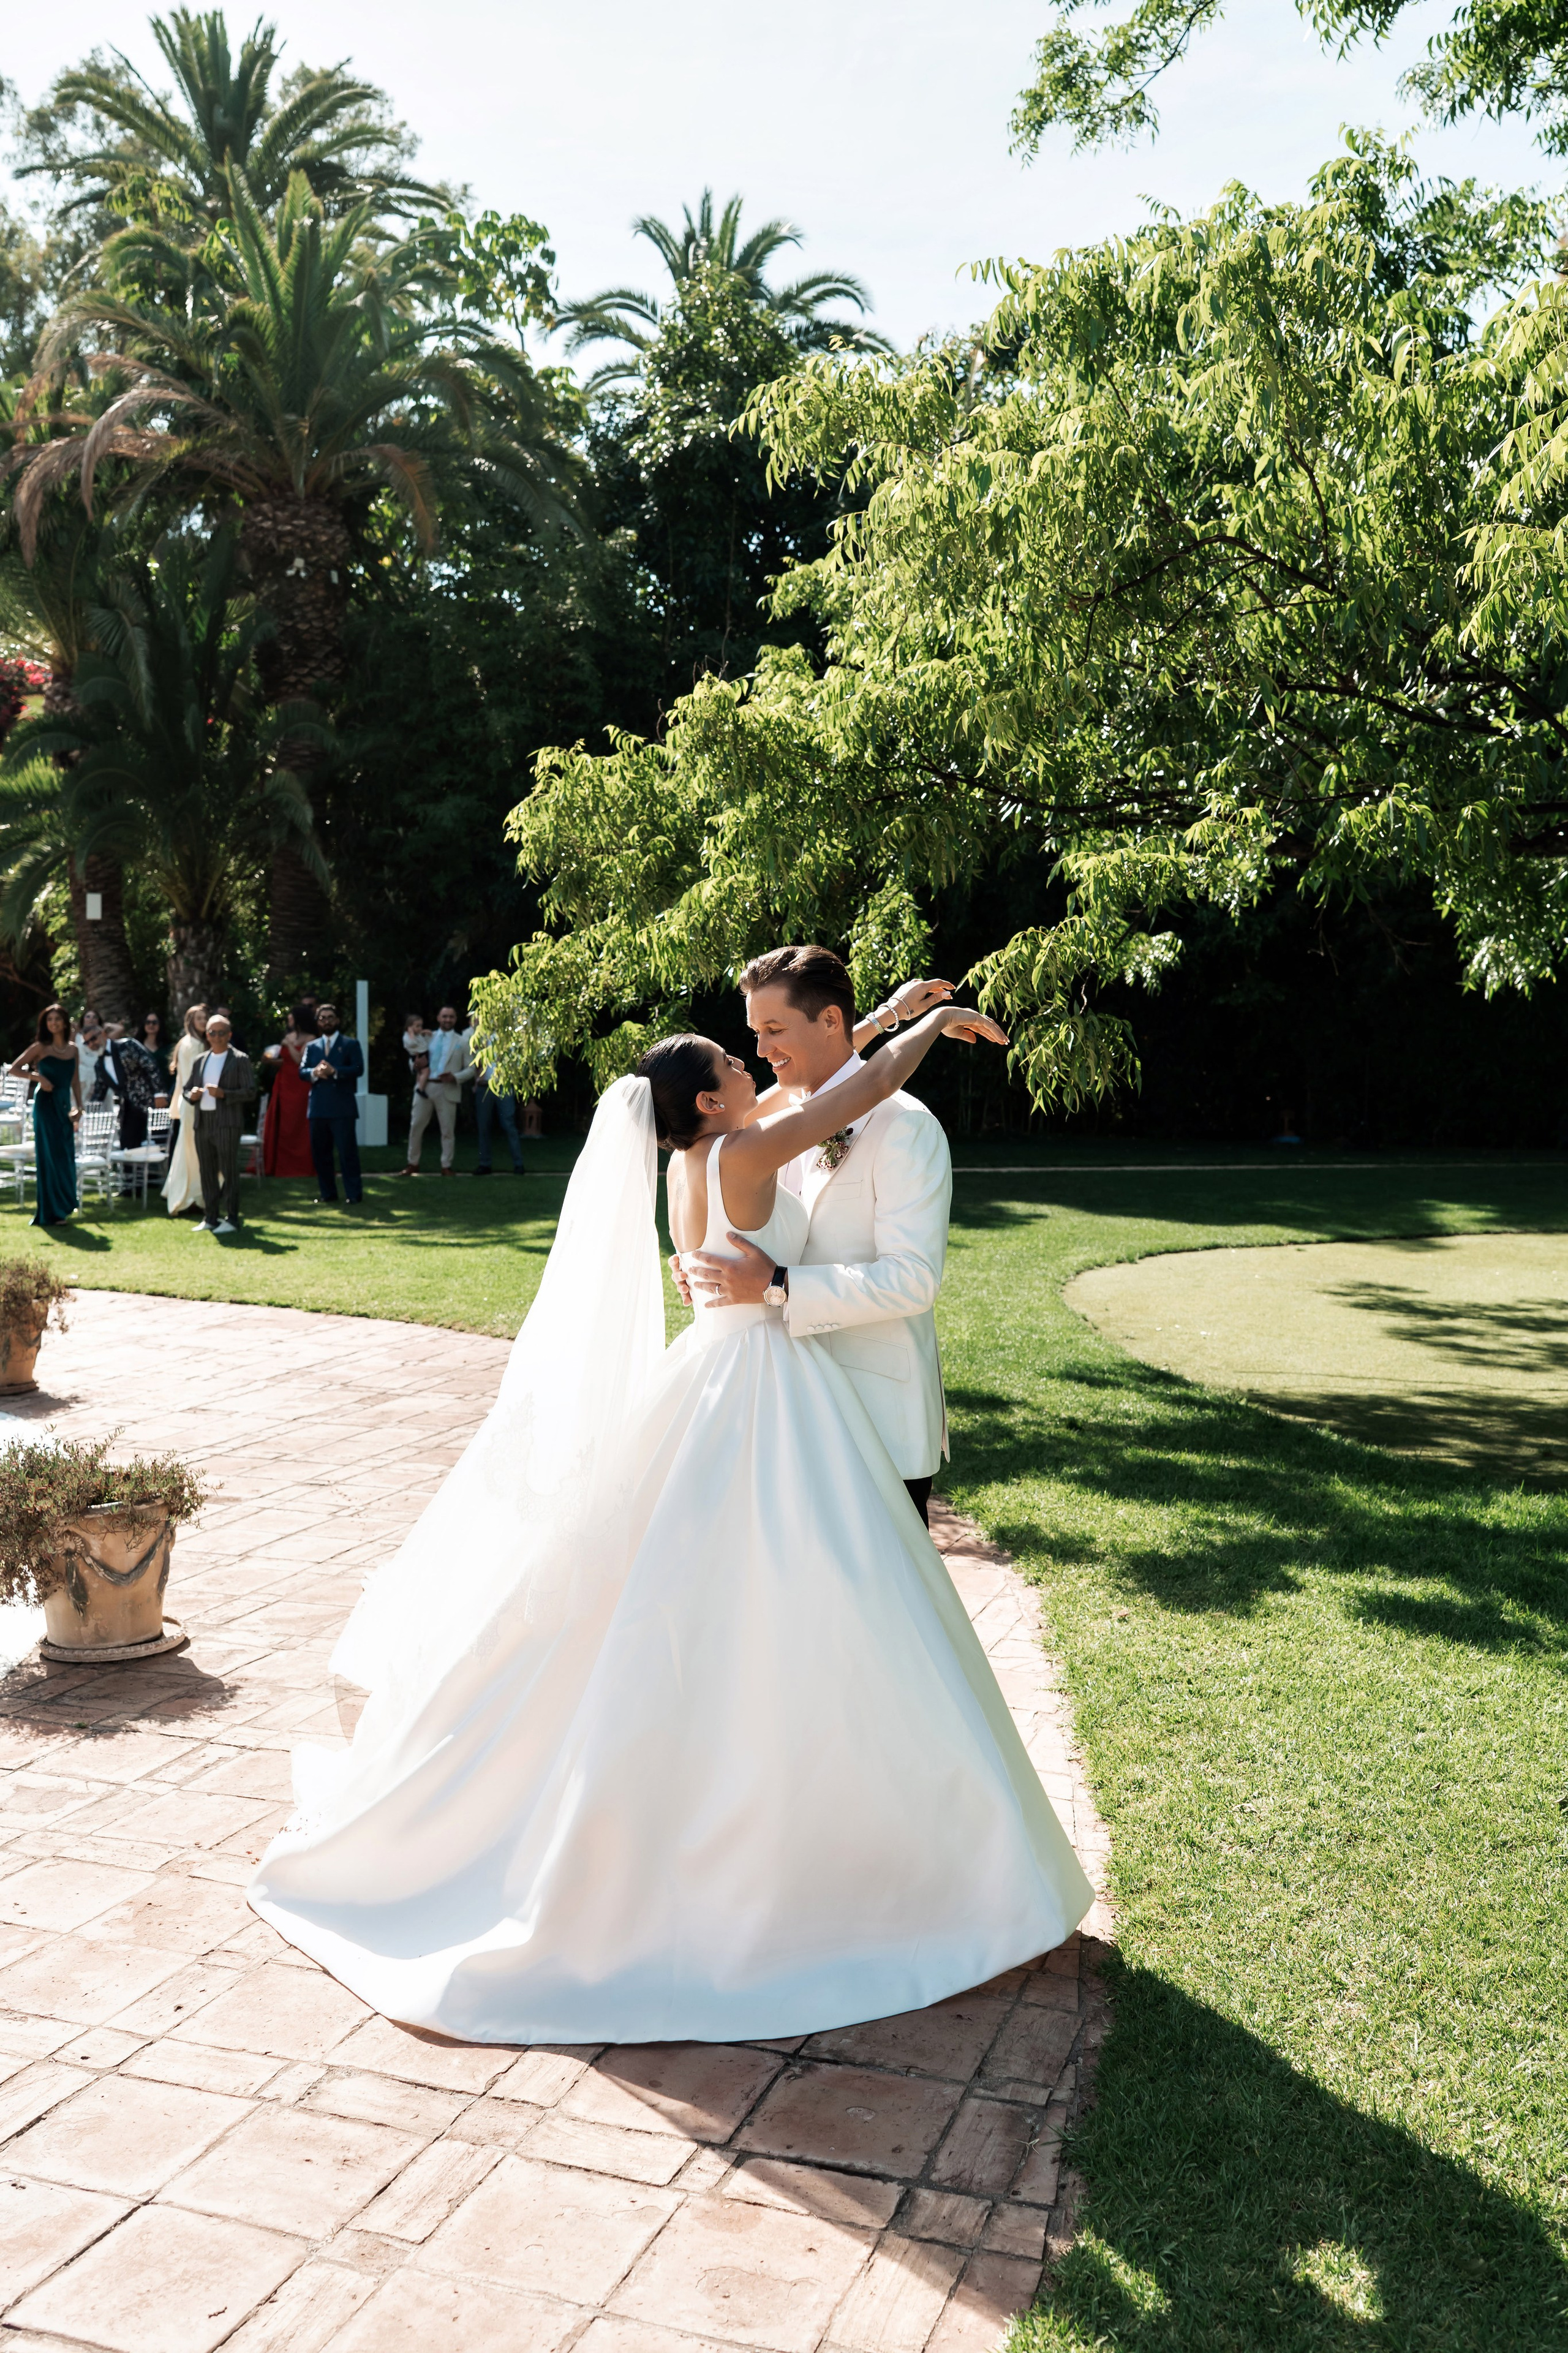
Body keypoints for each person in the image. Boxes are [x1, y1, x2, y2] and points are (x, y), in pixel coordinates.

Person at [250, 996, 1092, 2045]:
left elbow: (819, 1083)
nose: (757, 1066)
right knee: (803, 1582)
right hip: (764, 1381)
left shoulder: (691, 1159)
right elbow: (860, 1090)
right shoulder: (747, 1159)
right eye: (740, 1063)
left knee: (690, 1589)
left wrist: (878, 1016)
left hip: (710, 1370)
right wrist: (937, 1030)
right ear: (709, 1098)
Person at [681, 948, 957, 1527]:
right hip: (785, 1414)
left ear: (830, 1020)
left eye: (774, 1029)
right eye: (754, 1033)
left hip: (876, 1411)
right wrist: (705, 1261)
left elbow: (913, 1282)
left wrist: (776, 1284)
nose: (760, 1051)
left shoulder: (906, 1127)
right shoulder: (767, 1129)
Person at [9, 1004, 82, 1228]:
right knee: (49, 1157)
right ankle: (52, 1212)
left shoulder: (73, 1050)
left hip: (64, 1105)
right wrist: (39, 1079)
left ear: (64, 1021)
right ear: (46, 1024)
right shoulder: (41, 1047)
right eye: (49, 1020)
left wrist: (80, 1107)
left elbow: (75, 1080)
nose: (53, 1023)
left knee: (65, 1155)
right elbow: (15, 1068)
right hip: (45, 1105)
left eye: (57, 1019)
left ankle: (65, 1207)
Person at [183, 1013, 256, 1234]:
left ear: (229, 1035)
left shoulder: (240, 1059)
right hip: (203, 1122)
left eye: (221, 1033)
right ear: (207, 1035)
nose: (216, 1037)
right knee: (207, 1171)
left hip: (227, 1123)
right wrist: (192, 1095)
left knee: (229, 1171)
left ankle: (232, 1218)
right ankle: (211, 1217)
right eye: (212, 1033)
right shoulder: (201, 1060)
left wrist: (224, 1093)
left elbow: (251, 1092)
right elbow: (187, 1089)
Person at [394, 1004, 470, 1176]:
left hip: (447, 1087)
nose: (447, 1020)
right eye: (444, 1016)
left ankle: (446, 1166)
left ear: (456, 1020)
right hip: (425, 1086)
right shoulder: (427, 1037)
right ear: (438, 1018)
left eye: (451, 1017)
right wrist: (415, 1066)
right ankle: (412, 1164)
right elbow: (413, 1058)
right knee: (416, 1126)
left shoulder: (462, 1042)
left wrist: (456, 1078)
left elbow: (471, 1069)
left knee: (448, 1130)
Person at [301, 1003, 364, 1205]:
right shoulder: (312, 1047)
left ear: (337, 1020)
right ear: (318, 1022)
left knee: (347, 1153)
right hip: (318, 1108)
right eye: (322, 1018)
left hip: (342, 1108)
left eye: (330, 1017)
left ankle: (353, 1194)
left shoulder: (350, 1044)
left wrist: (335, 1071)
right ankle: (328, 1193)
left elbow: (358, 1068)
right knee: (321, 1154)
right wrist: (315, 1073)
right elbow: (302, 1071)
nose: (326, 1021)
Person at [261, 1002, 318, 1178]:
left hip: (301, 1085)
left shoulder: (311, 1038)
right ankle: (279, 1165)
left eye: (292, 1018)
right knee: (283, 1125)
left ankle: (301, 1165)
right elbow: (285, 1061)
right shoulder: (289, 1035)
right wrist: (270, 1061)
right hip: (284, 1084)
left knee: (299, 1124)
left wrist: (289, 1044)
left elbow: (301, 1061)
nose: (289, 1020)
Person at [162, 1005, 209, 1217]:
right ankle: (190, 1197)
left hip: (187, 1102)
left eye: (205, 1018)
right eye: (199, 1018)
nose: (203, 1021)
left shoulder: (185, 1043)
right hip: (194, 1102)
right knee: (193, 1151)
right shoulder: (195, 1045)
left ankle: (190, 1195)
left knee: (190, 1150)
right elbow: (193, 1079)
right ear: (191, 1021)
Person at [96, 1019, 168, 1154]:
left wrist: (160, 1093)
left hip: (151, 1102)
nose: (92, 1043)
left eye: (94, 1038)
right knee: (128, 1148)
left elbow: (151, 1066)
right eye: (87, 1042)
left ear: (103, 1035)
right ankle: (130, 1176)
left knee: (160, 1144)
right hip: (128, 1109)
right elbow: (99, 1093)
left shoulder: (128, 1045)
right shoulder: (99, 1065)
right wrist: (86, 1113)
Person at [472, 1058, 526, 1176]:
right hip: (484, 1085)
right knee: (483, 1126)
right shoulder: (481, 1041)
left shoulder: (508, 1041)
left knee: (509, 1124)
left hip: (504, 1085)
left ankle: (519, 1164)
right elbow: (474, 1063)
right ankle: (484, 1164)